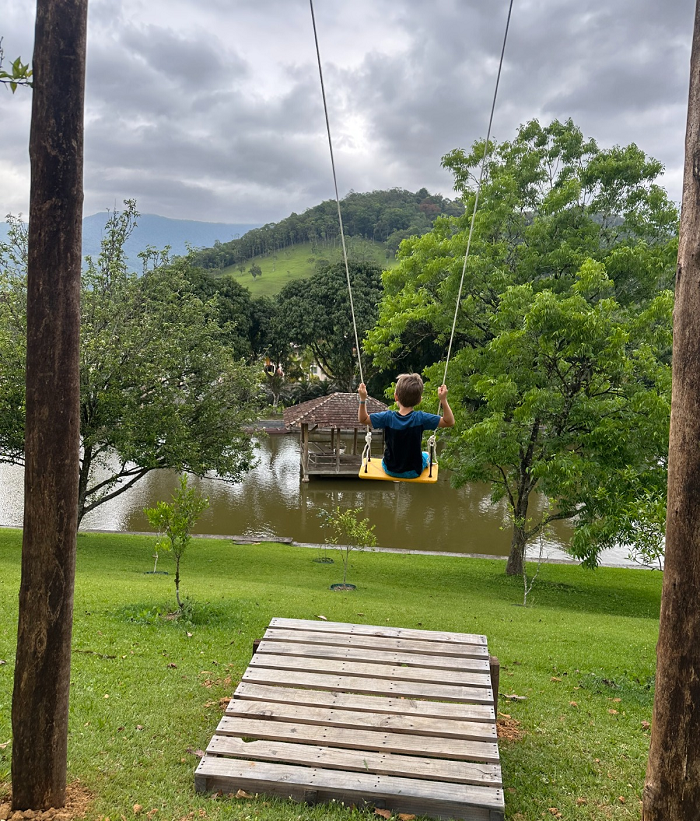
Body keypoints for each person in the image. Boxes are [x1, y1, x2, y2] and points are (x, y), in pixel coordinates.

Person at [357, 374, 454, 479]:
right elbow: (449, 422)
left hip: (390, 469)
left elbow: (363, 419)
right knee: (426, 455)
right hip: (414, 472)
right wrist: (443, 400)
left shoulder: (388, 417)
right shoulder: (420, 418)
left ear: (396, 397)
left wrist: (363, 399)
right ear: (419, 400)